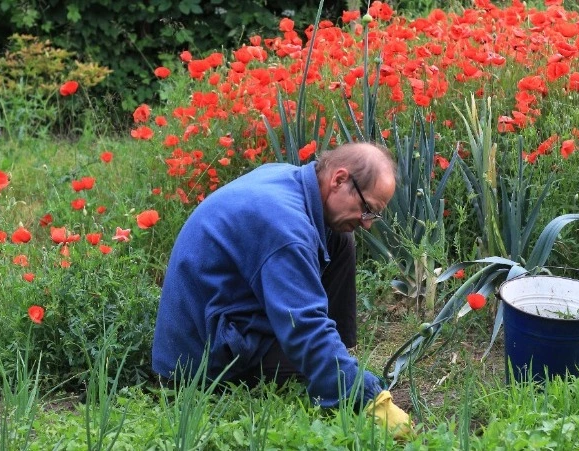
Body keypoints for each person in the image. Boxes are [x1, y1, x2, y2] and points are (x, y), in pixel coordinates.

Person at [152, 142, 411, 436]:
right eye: (367, 209)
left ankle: (337, 355)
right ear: (339, 180)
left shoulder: (291, 181)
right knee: (316, 358)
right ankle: (338, 379)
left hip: (225, 313)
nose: (367, 224)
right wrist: (363, 394)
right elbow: (303, 325)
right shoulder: (286, 229)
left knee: (341, 237)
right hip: (199, 360)